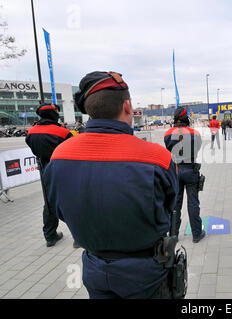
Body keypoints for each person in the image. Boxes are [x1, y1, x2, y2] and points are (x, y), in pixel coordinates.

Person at [43, 71, 179, 299]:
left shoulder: (59, 157)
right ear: (127, 106)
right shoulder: (158, 158)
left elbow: (58, 209)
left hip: (94, 268)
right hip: (146, 272)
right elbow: (169, 206)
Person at [25, 103, 73, 248]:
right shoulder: (62, 132)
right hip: (64, 169)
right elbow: (72, 148)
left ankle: (50, 236)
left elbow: (31, 147)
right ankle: (78, 236)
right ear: (53, 114)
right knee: (72, 201)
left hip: (44, 170)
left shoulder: (31, 132)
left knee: (49, 202)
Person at [164, 107, 205, 243]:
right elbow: (198, 148)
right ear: (186, 118)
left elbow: (168, 149)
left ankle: (174, 234)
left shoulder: (167, 134)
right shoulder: (195, 133)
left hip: (175, 171)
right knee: (193, 203)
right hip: (191, 170)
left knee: (176, 203)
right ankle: (197, 234)